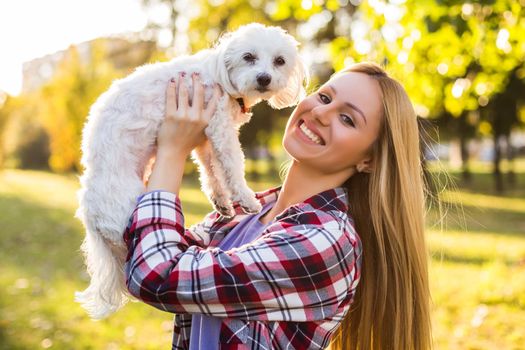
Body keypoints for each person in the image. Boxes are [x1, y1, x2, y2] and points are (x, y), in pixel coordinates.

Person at [123, 62, 433, 350]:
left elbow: (155, 274)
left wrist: (173, 151)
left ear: (369, 159)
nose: (322, 114)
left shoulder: (325, 243)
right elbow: (141, 251)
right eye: (324, 97)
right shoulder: (249, 211)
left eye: (347, 119)